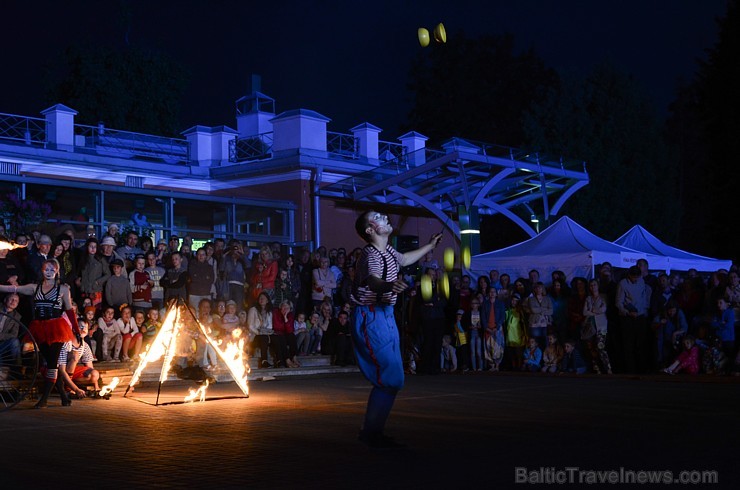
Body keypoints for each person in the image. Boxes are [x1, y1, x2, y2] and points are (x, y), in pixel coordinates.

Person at [350, 210, 442, 448]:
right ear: (370, 230)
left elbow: (404, 259)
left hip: (386, 315)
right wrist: (390, 285)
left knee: (394, 379)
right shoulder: (369, 254)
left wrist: (429, 245)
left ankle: (372, 432)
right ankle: (371, 433)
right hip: (371, 316)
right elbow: (372, 281)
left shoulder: (388, 250)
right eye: (377, 217)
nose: (383, 216)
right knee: (390, 378)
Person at [0, 258, 81, 408]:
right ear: (42, 271)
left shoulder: (63, 289)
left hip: (57, 327)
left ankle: (44, 399)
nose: (49, 272)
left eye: (52, 269)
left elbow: (69, 310)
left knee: (52, 362)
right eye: (46, 269)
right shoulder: (34, 288)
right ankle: (63, 396)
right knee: (50, 362)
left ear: (57, 271)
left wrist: (75, 330)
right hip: (40, 327)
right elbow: (14, 289)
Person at [616, 265, 652, 374]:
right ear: (629, 275)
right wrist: (627, 312)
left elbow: (644, 297)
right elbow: (618, 302)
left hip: (640, 317)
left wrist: (645, 310)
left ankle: (642, 369)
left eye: (637, 277)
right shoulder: (623, 284)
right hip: (628, 318)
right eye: (633, 277)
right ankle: (630, 369)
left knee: (640, 344)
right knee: (629, 344)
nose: (635, 279)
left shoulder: (641, 281)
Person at [58, 321, 101, 397]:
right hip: (58, 371)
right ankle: (68, 388)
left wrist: (96, 387)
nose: (83, 329)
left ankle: (69, 383)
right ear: (74, 329)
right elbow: (61, 370)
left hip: (70, 372)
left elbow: (90, 368)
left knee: (94, 374)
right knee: (75, 354)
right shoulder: (67, 343)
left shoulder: (85, 345)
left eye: (85, 328)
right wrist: (76, 389)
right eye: (80, 327)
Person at [582, 278, 612, 374]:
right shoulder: (588, 298)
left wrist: (592, 311)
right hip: (590, 326)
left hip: (601, 325)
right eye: (591, 285)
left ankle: (608, 368)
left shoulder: (603, 297)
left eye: (594, 285)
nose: (593, 287)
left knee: (600, 347)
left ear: (598, 286)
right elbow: (584, 312)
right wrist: (595, 311)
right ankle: (596, 369)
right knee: (592, 348)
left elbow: (603, 309)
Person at [0, 293, 22, 364]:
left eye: (16, 301)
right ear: (5, 300)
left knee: (15, 341)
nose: (13, 302)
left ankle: (18, 368)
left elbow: (14, 334)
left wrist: (1, 336)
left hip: (2, 343)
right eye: (11, 299)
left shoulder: (16, 316)